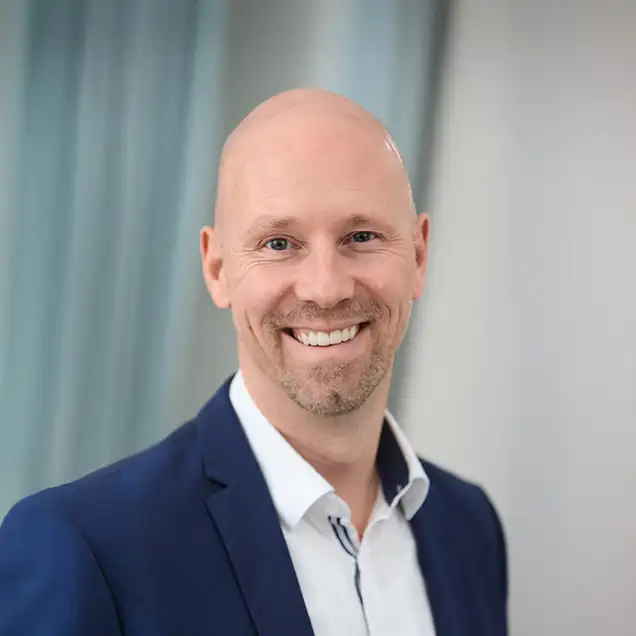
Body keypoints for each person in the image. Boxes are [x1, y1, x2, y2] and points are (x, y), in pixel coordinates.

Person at [0, 89, 508, 635]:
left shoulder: (469, 528)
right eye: (278, 243)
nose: (326, 288)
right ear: (217, 269)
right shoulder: (82, 545)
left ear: (419, 255)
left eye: (361, 236)